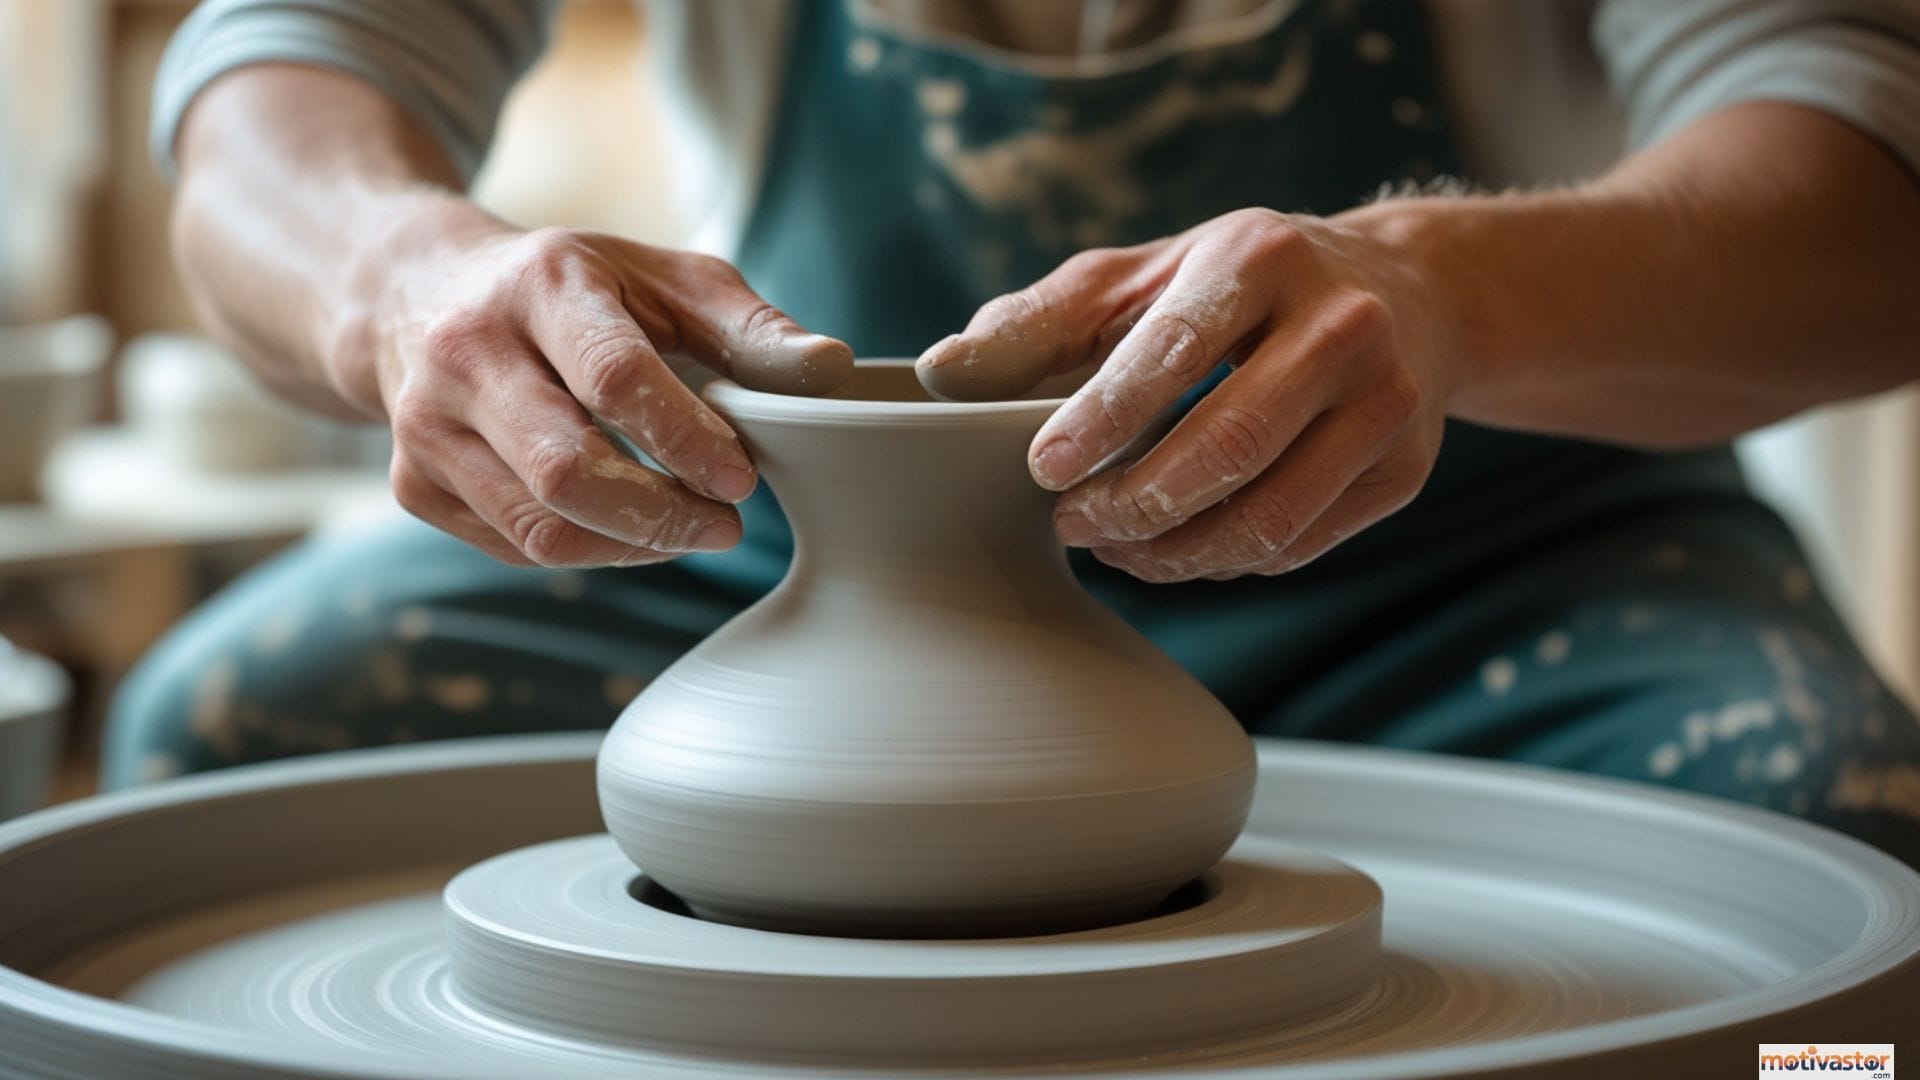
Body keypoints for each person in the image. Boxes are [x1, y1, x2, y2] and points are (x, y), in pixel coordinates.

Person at [109, 0, 1920, 867]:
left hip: (1492, 565)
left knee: (1847, 933)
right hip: (769, 566)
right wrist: (400, 277)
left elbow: (1861, 212)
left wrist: (1439, 290)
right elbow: (272, 98)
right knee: (220, 761)